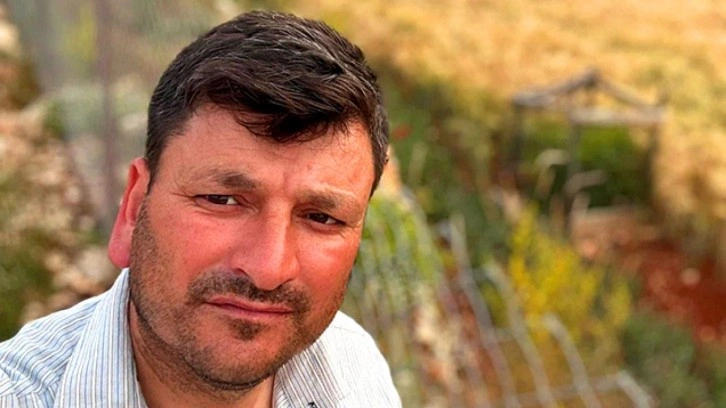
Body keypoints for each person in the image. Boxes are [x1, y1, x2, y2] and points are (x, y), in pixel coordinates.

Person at [0, 10, 401, 408]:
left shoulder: (355, 369)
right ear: (134, 209)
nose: (268, 269)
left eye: (321, 218)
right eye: (222, 200)